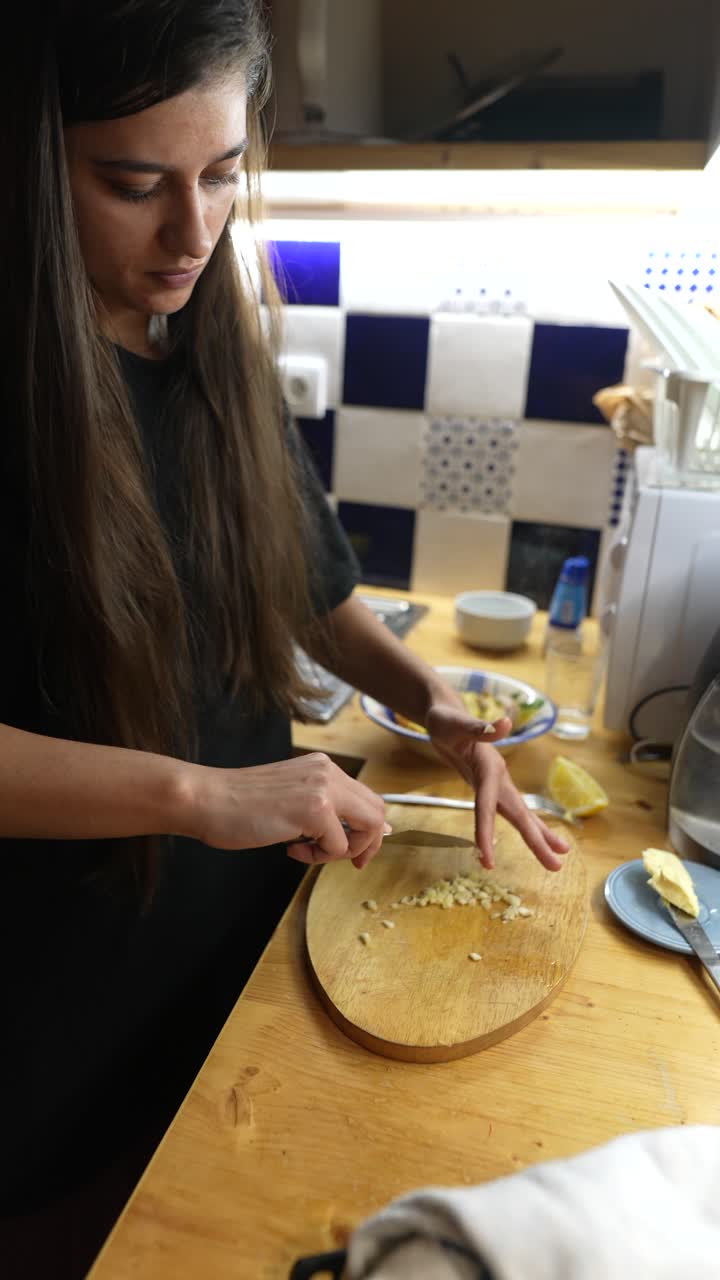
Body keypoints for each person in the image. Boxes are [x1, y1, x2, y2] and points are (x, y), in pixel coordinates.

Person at [0, 2, 569, 1274]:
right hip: (51, 1030)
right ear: (31, 161)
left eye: (220, 176)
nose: (191, 232)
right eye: (133, 183)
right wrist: (204, 792)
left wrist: (437, 697)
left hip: (238, 958)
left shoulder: (204, 338)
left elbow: (306, 585)